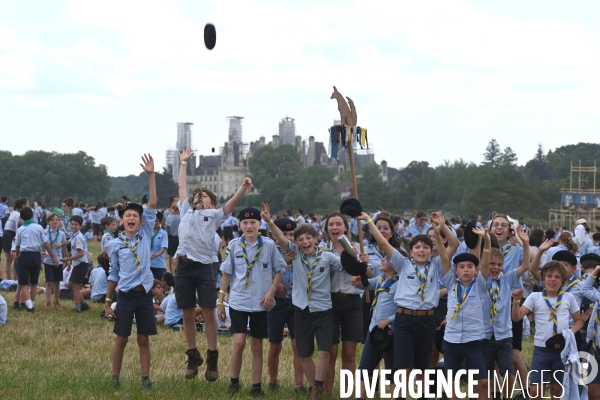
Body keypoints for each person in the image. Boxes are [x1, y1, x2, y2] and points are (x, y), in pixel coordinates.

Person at [358, 211, 458, 397]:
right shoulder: (403, 264)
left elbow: (454, 244)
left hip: (426, 320)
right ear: (411, 251)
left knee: (423, 368)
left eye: (426, 247)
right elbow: (383, 243)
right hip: (403, 320)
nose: (421, 250)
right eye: (417, 247)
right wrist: (370, 221)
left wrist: (441, 226)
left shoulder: (436, 264)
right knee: (403, 368)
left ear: (431, 250)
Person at [175, 148, 253, 382]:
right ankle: (192, 354)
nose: (198, 197)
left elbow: (233, 202)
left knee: (208, 313)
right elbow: (181, 187)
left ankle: (212, 355)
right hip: (184, 267)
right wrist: (183, 163)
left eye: (204, 196)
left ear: (211, 203)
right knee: (187, 313)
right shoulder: (185, 210)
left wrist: (243, 186)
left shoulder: (215, 215)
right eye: (196, 195)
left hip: (204, 267)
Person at [264, 206, 347, 399]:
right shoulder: (296, 254)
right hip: (302, 309)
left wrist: (360, 263)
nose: (305, 242)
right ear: (297, 243)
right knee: (303, 353)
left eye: (308, 238)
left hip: (324, 310)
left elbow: (346, 265)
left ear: (315, 239)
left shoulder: (328, 257)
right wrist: (269, 221)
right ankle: (313, 388)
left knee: (324, 352)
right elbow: (281, 239)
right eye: (300, 240)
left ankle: (317, 388)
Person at [103, 154, 158, 390]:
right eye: (128, 216)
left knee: (143, 339)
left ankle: (145, 379)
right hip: (125, 295)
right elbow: (114, 274)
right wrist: (107, 301)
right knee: (122, 339)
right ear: (122, 221)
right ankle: (115, 378)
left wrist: (151, 175)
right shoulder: (115, 245)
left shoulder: (145, 235)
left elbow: (153, 203)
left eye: (136, 215)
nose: (132, 218)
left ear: (140, 221)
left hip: (144, 294)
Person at [217, 206, 284, 397]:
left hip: (261, 303)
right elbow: (226, 274)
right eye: (245, 223)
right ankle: (234, 381)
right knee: (239, 342)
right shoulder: (234, 245)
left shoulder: (269, 245)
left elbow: (279, 269)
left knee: (256, 346)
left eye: (253, 222)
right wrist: (221, 301)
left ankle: (256, 386)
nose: (249, 226)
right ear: (240, 224)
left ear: (259, 224)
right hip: (239, 301)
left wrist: (271, 291)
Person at [512, 261, 583, 400]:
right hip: (541, 350)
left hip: (562, 351)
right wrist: (516, 302)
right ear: (543, 280)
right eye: (549, 276)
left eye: (557, 277)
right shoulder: (535, 297)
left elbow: (579, 320)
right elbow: (517, 317)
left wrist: (570, 332)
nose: (552, 279)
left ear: (563, 282)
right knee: (535, 391)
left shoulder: (569, 298)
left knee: (557, 390)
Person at [481, 227, 531, 399]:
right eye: (491, 264)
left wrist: (525, 243)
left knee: (508, 372)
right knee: (486, 375)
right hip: (485, 335)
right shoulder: (481, 282)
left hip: (503, 335)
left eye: (499, 265)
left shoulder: (507, 279)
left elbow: (525, 266)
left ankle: (507, 397)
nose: (495, 268)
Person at [441, 227, 491, 399]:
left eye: (470, 266)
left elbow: (485, 262)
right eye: (461, 267)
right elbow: (443, 258)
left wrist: (487, 240)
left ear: (475, 270)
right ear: (456, 270)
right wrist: (437, 228)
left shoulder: (480, 285)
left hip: (472, 339)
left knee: (482, 381)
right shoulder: (450, 282)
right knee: (452, 383)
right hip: (451, 339)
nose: (466, 270)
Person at [265, 217, 305, 393]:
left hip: (296, 302)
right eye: (284, 234)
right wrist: (275, 285)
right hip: (276, 303)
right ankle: (273, 380)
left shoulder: (300, 251)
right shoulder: (269, 251)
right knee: (275, 344)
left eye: (291, 234)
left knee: (298, 345)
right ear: (275, 235)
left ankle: (299, 383)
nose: (288, 237)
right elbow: (263, 274)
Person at [352, 256, 399, 399]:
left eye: (387, 259)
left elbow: (404, 308)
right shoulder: (381, 279)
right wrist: (358, 282)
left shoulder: (401, 283)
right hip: (374, 330)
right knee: (364, 368)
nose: (382, 260)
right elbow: (366, 284)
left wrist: (389, 320)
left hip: (390, 331)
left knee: (392, 371)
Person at [14, 206, 59, 313]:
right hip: (36, 255)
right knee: (34, 282)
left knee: (24, 283)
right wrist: (53, 256)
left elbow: (17, 246)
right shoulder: (39, 227)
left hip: (25, 256)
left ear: (21, 217)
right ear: (32, 215)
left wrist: (16, 255)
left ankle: (29, 306)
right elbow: (46, 244)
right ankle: (32, 303)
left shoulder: (20, 229)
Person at [59, 215, 90, 313]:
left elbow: (80, 254)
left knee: (75, 287)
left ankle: (78, 308)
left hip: (81, 264)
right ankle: (84, 304)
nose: (73, 226)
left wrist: (67, 259)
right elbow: (69, 241)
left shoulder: (78, 238)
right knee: (70, 285)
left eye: (76, 224)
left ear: (81, 226)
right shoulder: (75, 235)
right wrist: (61, 244)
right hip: (77, 265)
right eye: (72, 224)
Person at [581, 258, 600, 400]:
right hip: (595, 347)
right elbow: (585, 288)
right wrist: (597, 270)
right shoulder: (599, 296)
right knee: (592, 390)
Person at [42, 212, 68, 309]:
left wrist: (67, 261)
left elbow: (64, 247)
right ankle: (47, 302)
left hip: (59, 260)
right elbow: (43, 247)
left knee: (57, 282)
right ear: (48, 222)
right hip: (48, 260)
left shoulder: (61, 234)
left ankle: (56, 301)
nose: (55, 222)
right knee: (49, 282)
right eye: (52, 220)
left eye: (56, 220)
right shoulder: (45, 232)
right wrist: (41, 260)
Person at [2, 197, 28, 282]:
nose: (28, 206)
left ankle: (13, 279)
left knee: (11, 260)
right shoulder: (18, 214)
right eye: (27, 204)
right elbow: (18, 229)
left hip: (8, 234)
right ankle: (12, 280)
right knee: (13, 259)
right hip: (9, 235)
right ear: (23, 205)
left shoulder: (15, 212)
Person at [149, 212, 168, 281]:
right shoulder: (147, 232)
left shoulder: (163, 233)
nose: (153, 222)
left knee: (158, 284)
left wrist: (156, 255)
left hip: (158, 265)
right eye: (152, 220)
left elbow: (163, 247)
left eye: (155, 221)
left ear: (160, 222)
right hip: (147, 264)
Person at [165, 204, 180, 274]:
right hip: (181, 238)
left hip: (172, 238)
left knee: (172, 258)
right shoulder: (183, 217)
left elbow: (167, 229)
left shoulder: (169, 217)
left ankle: (173, 275)